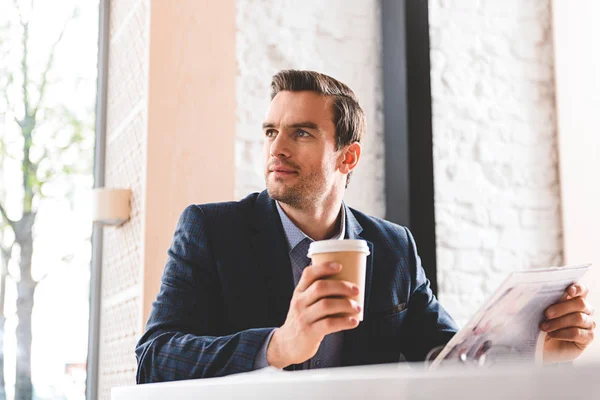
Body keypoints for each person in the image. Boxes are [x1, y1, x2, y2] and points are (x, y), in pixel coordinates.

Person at [135, 70, 595, 383]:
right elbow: (153, 357)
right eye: (271, 131)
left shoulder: (392, 247)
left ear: (348, 156)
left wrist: (539, 355)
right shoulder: (212, 230)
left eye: (301, 132)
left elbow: (444, 362)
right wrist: (277, 345)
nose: (277, 148)